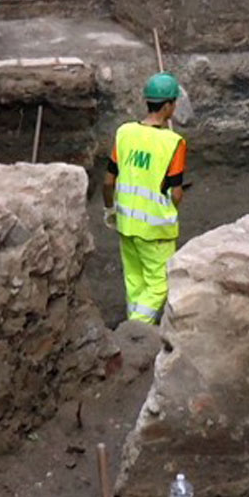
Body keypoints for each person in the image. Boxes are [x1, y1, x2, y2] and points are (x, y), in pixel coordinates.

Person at [103, 73, 189, 324]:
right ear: (168, 106)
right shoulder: (173, 143)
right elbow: (176, 193)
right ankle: (135, 329)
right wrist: (170, 209)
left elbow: (108, 182)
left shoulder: (125, 133)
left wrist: (109, 209)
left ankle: (138, 327)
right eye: (174, 103)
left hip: (126, 222)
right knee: (160, 284)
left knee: (135, 280)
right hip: (155, 229)